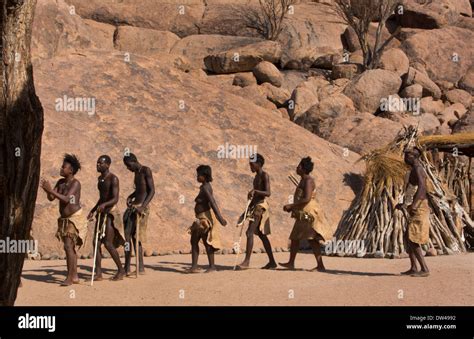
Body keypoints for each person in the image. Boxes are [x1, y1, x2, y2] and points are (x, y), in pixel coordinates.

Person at [40, 154, 88, 286]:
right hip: (65, 219)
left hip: (74, 218)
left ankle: (70, 277)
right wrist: (47, 190)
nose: (61, 169)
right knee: (69, 248)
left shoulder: (75, 183)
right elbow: (52, 198)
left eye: (64, 167)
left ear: (71, 170)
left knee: (68, 247)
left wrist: (51, 190)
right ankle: (75, 276)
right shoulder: (61, 182)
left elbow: (67, 199)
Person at [280, 156, 332, 271]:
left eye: (299, 166)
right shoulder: (303, 180)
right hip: (302, 212)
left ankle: (320, 265)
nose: (296, 168)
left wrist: (291, 206)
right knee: (295, 237)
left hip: (308, 212)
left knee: (311, 239)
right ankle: (291, 262)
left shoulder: (308, 181)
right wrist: (294, 208)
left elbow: (307, 198)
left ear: (303, 169)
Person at [88, 155, 126, 281]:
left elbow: (115, 198)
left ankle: (121, 270)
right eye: (97, 163)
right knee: (96, 243)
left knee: (108, 243)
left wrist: (104, 205)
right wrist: (93, 210)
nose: (98, 165)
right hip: (101, 212)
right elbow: (102, 198)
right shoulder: (100, 179)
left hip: (110, 213)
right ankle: (98, 273)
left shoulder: (113, 179)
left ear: (108, 165)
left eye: (101, 163)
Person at [237, 154, 276, 270]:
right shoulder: (256, 178)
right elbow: (255, 196)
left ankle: (246, 262)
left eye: (252, 164)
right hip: (255, 206)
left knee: (249, 232)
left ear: (258, 164)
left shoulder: (265, 175)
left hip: (260, 207)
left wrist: (255, 191)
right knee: (261, 235)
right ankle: (272, 262)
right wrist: (246, 211)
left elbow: (268, 193)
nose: (250, 166)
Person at [188, 165, 227, 273]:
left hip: (204, 218)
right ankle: (201, 266)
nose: (197, 177)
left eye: (198, 175)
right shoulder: (204, 187)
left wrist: (220, 218)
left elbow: (213, 202)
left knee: (199, 241)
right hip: (201, 217)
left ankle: (206, 266)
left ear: (204, 176)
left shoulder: (206, 188)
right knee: (200, 241)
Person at [398, 148, 430, 277]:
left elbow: (422, 188)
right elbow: (413, 190)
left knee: (413, 238)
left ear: (413, 157)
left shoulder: (418, 169)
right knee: (408, 237)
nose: (404, 158)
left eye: (407, 155)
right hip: (414, 207)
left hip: (419, 208)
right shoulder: (413, 169)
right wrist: (404, 204)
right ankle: (414, 267)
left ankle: (425, 269)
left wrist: (414, 205)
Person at [122, 153, 155, 276]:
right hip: (133, 207)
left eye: (128, 165)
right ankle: (127, 266)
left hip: (141, 208)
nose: (128, 168)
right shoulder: (136, 173)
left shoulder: (146, 170)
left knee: (137, 237)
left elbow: (152, 190)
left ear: (134, 161)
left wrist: (143, 206)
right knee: (127, 236)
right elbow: (139, 190)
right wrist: (131, 196)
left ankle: (140, 267)